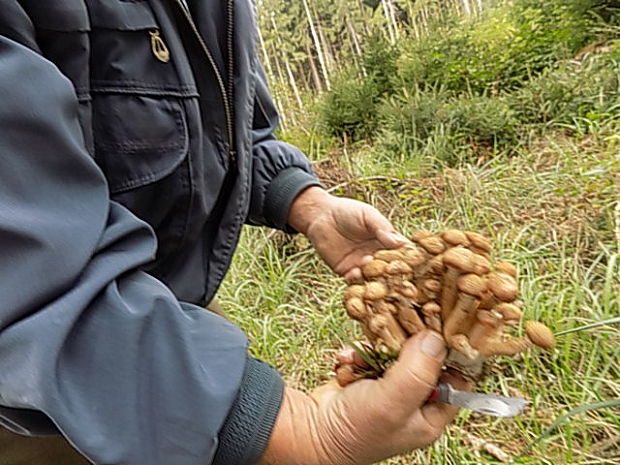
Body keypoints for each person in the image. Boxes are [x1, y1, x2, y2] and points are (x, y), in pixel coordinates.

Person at [0, 1, 467, 464]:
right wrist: (301, 432)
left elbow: (236, 128)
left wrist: (306, 203)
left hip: (176, 313)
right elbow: (18, 260)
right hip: (39, 388)